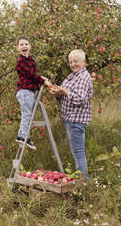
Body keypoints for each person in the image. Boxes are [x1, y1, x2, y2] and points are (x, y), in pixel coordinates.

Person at [50, 49, 93, 179]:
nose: (73, 64)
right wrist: (58, 92)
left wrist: (64, 90)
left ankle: (83, 182)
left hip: (76, 120)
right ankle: (82, 181)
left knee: (78, 153)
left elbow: (79, 99)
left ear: (84, 62)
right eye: (71, 62)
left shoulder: (83, 77)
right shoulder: (72, 76)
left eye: (76, 61)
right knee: (77, 152)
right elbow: (65, 95)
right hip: (71, 119)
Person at [15, 35, 51, 150]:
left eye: (26, 44)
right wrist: (41, 80)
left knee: (28, 115)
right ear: (17, 48)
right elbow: (30, 75)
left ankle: (26, 137)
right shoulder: (21, 61)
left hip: (29, 91)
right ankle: (22, 136)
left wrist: (41, 78)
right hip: (25, 92)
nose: (24, 46)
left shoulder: (29, 60)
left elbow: (32, 75)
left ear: (30, 46)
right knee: (27, 115)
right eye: (21, 44)